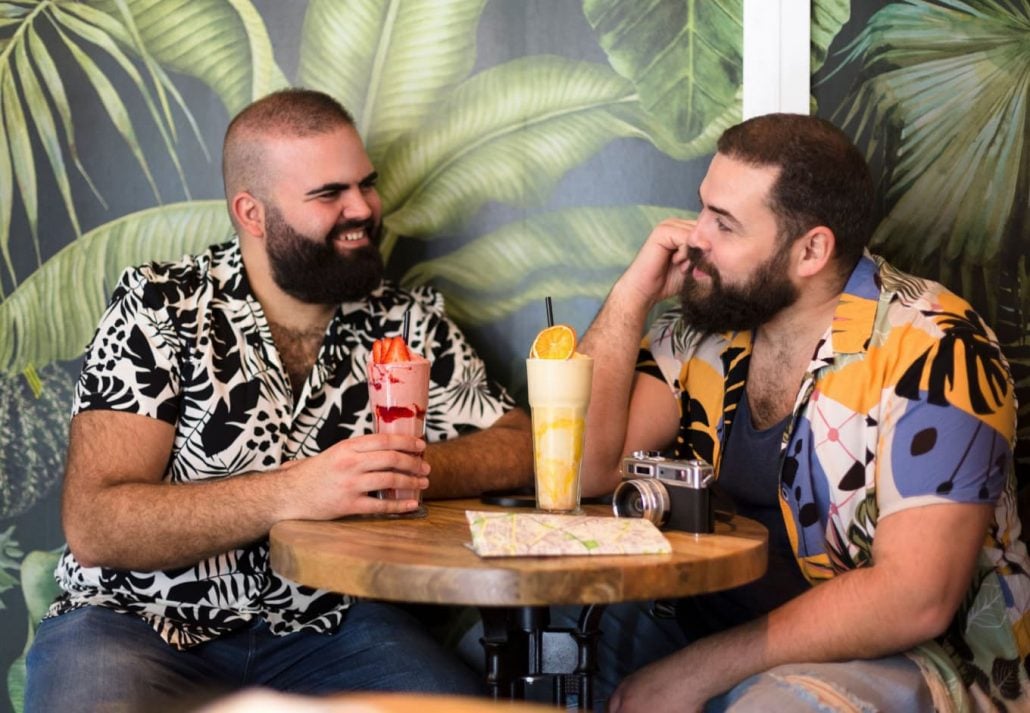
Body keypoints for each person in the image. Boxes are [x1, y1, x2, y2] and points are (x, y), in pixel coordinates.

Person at [25, 88, 533, 711]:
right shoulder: (160, 307)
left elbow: (521, 444)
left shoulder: (404, 319)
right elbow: (96, 525)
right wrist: (297, 490)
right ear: (252, 212)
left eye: (365, 184)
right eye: (329, 194)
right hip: (135, 621)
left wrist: (394, 470)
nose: (363, 209)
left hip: (329, 626)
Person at [575, 113, 1030, 711]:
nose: (693, 238)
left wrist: (695, 671)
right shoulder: (712, 327)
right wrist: (633, 292)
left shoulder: (938, 349)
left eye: (725, 223)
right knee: (537, 645)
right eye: (703, 208)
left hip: (913, 658)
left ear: (811, 249)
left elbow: (915, 598)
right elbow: (586, 470)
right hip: (708, 627)